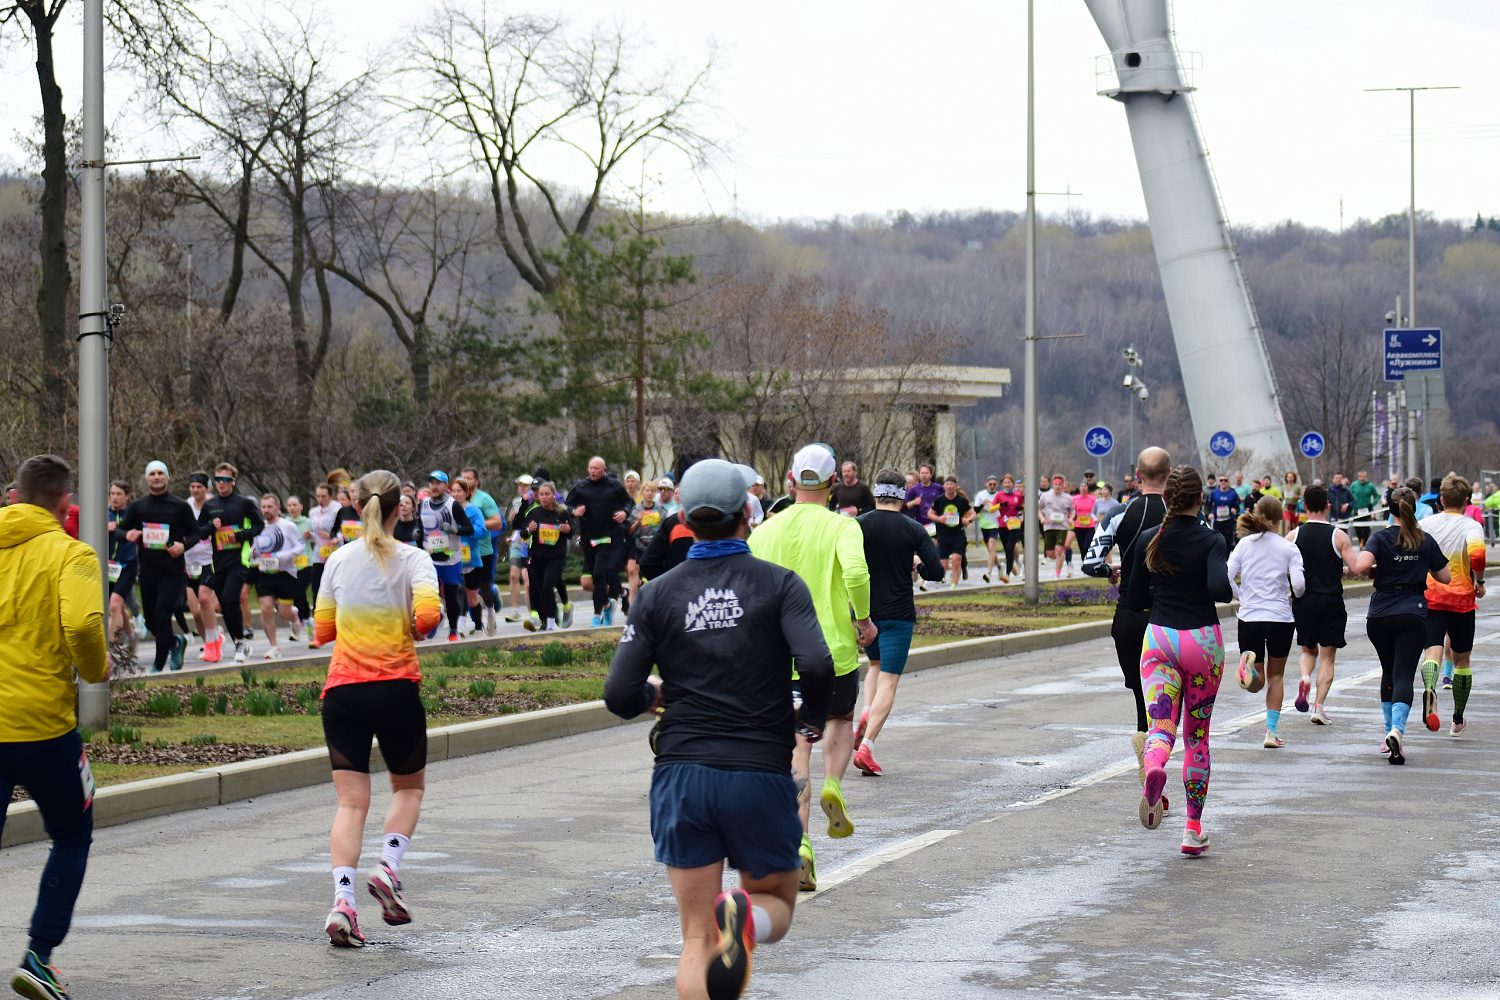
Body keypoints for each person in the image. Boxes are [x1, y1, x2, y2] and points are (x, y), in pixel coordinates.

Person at [604, 458, 833, 1000]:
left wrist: (654, 694)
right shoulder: (779, 585)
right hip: (758, 769)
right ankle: (748, 920)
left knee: (697, 937)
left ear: (683, 516)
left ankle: (727, 924)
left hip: (682, 772)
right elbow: (818, 665)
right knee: (774, 901)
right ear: (745, 516)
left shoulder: (657, 593)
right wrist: (812, 720)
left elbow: (618, 695)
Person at [313, 470, 442, 948]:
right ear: (398, 509)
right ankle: (388, 867)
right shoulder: (415, 559)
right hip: (394, 690)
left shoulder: (337, 560)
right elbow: (428, 620)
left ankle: (342, 902)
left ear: (357, 504)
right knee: (408, 789)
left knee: (350, 804)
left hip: (342, 692)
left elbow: (322, 630)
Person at [0, 454, 110, 1000]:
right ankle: (38, 958)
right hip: (42, 728)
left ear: (13, 496)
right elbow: (85, 625)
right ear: (66, 503)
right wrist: (98, 671)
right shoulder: (72, 555)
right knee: (71, 833)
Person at [748, 444, 873, 893]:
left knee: (795, 749)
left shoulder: (765, 530)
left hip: (781, 657)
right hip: (834, 653)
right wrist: (864, 619)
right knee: (839, 720)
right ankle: (834, 784)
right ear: (833, 483)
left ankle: (799, 845)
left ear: (789, 480)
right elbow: (857, 574)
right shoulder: (843, 526)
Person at [1126, 465, 1231, 855]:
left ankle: (1154, 767)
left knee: (1161, 723)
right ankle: (1192, 829)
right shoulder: (1212, 539)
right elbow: (1220, 590)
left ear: (1167, 499)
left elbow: (1135, 598)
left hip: (1159, 639)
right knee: (1197, 736)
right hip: (1201, 641)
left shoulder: (1151, 539)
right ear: (1201, 499)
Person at [1083, 448, 1170, 790]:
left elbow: (1091, 563)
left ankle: (1146, 751)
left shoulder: (1120, 513)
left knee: (1141, 692)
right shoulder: (1185, 515)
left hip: (1131, 616)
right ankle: (1159, 757)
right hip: (1170, 615)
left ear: (1137, 473)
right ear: (1169, 472)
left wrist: (1112, 569)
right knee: (1168, 697)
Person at [853, 468, 944, 776]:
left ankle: (866, 711)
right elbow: (936, 572)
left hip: (866, 613)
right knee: (889, 680)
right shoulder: (913, 528)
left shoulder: (857, 525)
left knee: (874, 667)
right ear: (904, 495)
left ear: (875, 494)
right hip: (898, 614)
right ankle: (867, 747)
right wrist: (915, 562)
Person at [1352, 486, 1450, 764]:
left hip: (1380, 612)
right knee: (1404, 674)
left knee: (1388, 671)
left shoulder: (1379, 538)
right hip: (1412, 612)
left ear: (1389, 509)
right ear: (1414, 506)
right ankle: (1397, 731)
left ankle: (1387, 735)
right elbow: (1445, 577)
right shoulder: (1424, 540)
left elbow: (1361, 566)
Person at [1227, 496, 1305, 748]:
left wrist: (1242, 596)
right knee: (1277, 676)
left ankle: (1248, 670)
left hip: (1250, 616)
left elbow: (1226, 576)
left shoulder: (1243, 545)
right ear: (1280, 518)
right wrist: (1296, 595)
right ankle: (1271, 732)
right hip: (1280, 617)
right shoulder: (1288, 548)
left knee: (1256, 681)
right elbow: (1300, 586)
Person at [1418, 474, 1487, 736]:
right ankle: (1457, 719)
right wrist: (1478, 580)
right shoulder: (1471, 526)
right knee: (1461, 660)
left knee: (1432, 650)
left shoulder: (1425, 524)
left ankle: (1430, 689)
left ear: (1441, 500)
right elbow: (1478, 553)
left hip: (1431, 597)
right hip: (1461, 600)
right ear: (1466, 501)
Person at [1285, 484, 1359, 726]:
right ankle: (1318, 706)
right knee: (1328, 658)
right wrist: (1343, 570)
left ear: (1304, 506)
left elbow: (1283, 568)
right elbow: (1356, 568)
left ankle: (1305, 675)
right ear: (1328, 505)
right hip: (1331, 600)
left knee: (1308, 651)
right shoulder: (1339, 536)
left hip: (1303, 600)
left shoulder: (1293, 536)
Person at [118, 461, 200, 673]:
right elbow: (120, 531)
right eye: (152, 474)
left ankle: (157, 665)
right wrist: (127, 535)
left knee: (163, 614)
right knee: (153, 622)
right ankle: (175, 643)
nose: (156, 477)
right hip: (147, 570)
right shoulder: (139, 506)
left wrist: (183, 546)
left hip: (172, 571)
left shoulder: (180, 506)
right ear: (147, 479)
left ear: (167, 477)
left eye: (160, 473)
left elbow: (196, 533)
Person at [197, 462, 264, 665]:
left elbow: (259, 524)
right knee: (225, 604)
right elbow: (199, 531)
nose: (222, 483)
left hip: (240, 560)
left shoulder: (243, 503)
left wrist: (240, 536)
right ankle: (239, 641)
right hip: (219, 562)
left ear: (233, 481)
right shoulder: (210, 505)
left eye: (226, 480)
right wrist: (211, 526)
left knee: (230, 597)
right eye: (218, 480)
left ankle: (241, 642)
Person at [567, 457, 634, 628]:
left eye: (596, 468)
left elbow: (629, 502)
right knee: (597, 578)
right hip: (589, 537)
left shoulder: (613, 485)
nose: (593, 471)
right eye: (590, 468)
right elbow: (566, 505)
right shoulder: (581, 486)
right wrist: (575, 511)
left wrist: (625, 513)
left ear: (604, 469)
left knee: (598, 574)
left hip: (608, 536)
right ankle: (607, 605)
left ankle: (596, 616)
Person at [419, 472, 475, 642]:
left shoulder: (453, 505)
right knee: (428, 593)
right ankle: (435, 618)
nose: (434, 487)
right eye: (432, 483)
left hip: (451, 559)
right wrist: (416, 534)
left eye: (438, 483)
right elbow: (419, 526)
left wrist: (455, 530)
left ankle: (453, 631)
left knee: (451, 597)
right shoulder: (423, 504)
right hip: (430, 558)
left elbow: (469, 528)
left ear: (446, 486)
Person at [252, 494, 307, 660]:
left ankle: (293, 614)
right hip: (265, 574)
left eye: (270, 507)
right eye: (264, 507)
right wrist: (253, 554)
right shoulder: (259, 527)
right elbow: (254, 549)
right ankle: (274, 646)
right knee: (266, 609)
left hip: (285, 573)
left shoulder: (287, 526)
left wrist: (280, 556)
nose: (266, 510)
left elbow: (300, 547)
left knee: (283, 613)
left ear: (277, 508)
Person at [521, 482, 573, 632]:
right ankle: (543, 619)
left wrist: (567, 529)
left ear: (553, 495)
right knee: (537, 588)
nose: (543, 498)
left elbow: (571, 532)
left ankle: (551, 623)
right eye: (541, 494)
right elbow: (523, 534)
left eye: (547, 494)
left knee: (547, 586)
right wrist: (528, 530)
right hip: (537, 556)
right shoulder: (534, 513)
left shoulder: (562, 513)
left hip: (556, 557)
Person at [460, 469, 504, 635]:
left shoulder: (484, 499)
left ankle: (491, 616)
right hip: (463, 550)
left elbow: (498, 522)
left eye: (468, 478)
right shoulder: (455, 500)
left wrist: (476, 524)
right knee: (464, 588)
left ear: (477, 481)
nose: (465, 480)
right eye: (462, 478)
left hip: (483, 550)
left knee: (484, 587)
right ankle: (470, 624)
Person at [184, 472, 221, 662]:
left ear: (207, 488)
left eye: (199, 486)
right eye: (193, 487)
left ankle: (213, 645)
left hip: (209, 559)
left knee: (205, 600)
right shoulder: (186, 506)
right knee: (196, 610)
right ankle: (211, 642)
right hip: (189, 561)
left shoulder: (214, 506)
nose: (195, 490)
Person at [105, 479, 139, 673]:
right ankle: (132, 636)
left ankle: (112, 650)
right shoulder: (104, 515)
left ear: (127, 496)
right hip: (107, 566)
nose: (114, 498)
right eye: (112, 494)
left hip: (127, 565)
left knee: (115, 605)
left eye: (118, 494)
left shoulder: (132, 515)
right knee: (119, 608)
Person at [928, 476, 973, 589]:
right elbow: (930, 514)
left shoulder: (962, 500)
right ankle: (938, 580)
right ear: (944, 486)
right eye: (947, 484)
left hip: (958, 534)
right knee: (943, 564)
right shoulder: (939, 500)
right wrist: (939, 519)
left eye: (951, 484)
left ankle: (954, 585)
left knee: (956, 560)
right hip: (943, 534)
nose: (949, 487)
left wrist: (968, 520)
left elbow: (973, 514)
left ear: (956, 486)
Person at [505, 475, 535, 622]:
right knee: (513, 575)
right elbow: (516, 524)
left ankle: (533, 612)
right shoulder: (516, 502)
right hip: (517, 543)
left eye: (525, 485)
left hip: (530, 544)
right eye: (520, 485)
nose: (522, 488)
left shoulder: (535, 502)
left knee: (529, 581)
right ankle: (515, 609)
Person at [284, 495, 315, 632]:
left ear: (301, 507)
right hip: (291, 564)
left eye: (295, 505)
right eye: (289, 505)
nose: (292, 508)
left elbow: (318, 539)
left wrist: (311, 536)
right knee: (297, 593)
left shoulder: (309, 522)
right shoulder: (284, 523)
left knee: (299, 590)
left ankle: (302, 619)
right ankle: (306, 619)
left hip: (306, 562)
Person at [1038, 475, 1074, 579]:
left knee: (1059, 549)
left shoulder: (1068, 498)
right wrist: (1042, 518)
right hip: (1049, 526)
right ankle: (1062, 556)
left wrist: (1071, 518)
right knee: (1050, 553)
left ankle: (1057, 573)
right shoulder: (1045, 496)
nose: (1057, 487)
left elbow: (1072, 511)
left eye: (1059, 485)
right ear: (1052, 485)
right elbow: (1039, 509)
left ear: (1063, 486)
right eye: (1055, 484)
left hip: (1062, 527)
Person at [973, 475, 1003, 583]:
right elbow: (975, 510)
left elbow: (1003, 508)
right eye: (990, 484)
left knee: (991, 547)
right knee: (990, 550)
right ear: (986, 484)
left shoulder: (999, 495)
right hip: (984, 524)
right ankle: (999, 567)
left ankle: (989, 573)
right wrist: (983, 504)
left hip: (995, 525)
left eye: (994, 485)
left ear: (997, 485)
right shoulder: (981, 495)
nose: (992, 486)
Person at [1207, 473, 1242, 553]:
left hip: (1228, 521)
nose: (1223, 482)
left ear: (1229, 482)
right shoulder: (1214, 493)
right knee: (1216, 539)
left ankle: (1226, 559)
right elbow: (1208, 505)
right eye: (1221, 480)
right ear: (1219, 482)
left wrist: (1235, 510)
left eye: (1225, 480)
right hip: (1217, 521)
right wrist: (1210, 513)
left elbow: (1237, 507)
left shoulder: (1233, 494)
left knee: (1227, 540)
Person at [1070, 478, 1101, 567]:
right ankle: (1084, 563)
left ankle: (1088, 562)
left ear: (1088, 488)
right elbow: (1072, 511)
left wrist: (1096, 518)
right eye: (1081, 486)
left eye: (1085, 486)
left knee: (1087, 545)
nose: (1083, 488)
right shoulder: (1075, 498)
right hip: (1079, 525)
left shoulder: (1093, 499)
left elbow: (1097, 510)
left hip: (1090, 526)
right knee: (1081, 546)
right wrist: (1071, 518)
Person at [1349, 470, 1379, 547]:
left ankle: (1365, 544)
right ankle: (1360, 541)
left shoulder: (1370, 486)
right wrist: (1351, 504)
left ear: (1366, 477)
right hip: (1357, 509)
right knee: (1358, 529)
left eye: (1364, 477)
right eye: (1361, 477)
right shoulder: (1354, 485)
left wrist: (1372, 504)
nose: (1362, 478)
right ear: (1358, 477)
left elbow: (1377, 496)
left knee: (1366, 529)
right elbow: (1349, 495)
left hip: (1366, 510)